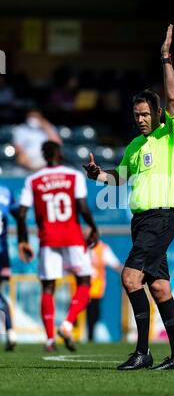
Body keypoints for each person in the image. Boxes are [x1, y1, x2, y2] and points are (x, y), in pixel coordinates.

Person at [83, 25, 174, 370]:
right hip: (142, 221)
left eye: (145, 113)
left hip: (160, 218)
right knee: (159, 289)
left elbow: (173, 97)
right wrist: (98, 175)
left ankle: (143, 352)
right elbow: (120, 178)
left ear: (157, 114)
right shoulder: (134, 146)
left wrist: (165, 57)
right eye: (137, 115)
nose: (141, 119)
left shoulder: (169, 135)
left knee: (129, 278)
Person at [17, 141, 98, 352]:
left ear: (44, 156)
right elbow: (82, 206)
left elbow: (22, 214)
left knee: (48, 288)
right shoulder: (74, 176)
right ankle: (67, 324)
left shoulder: (33, 180)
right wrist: (92, 227)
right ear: (59, 153)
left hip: (48, 239)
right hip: (72, 237)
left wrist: (23, 240)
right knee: (85, 282)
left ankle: (50, 340)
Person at [87, 239, 122, 342]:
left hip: (95, 288)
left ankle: (90, 337)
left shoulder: (102, 248)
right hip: (80, 286)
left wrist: (125, 273)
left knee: (93, 312)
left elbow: (115, 264)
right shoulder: (81, 246)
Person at [0, 185, 17, 351]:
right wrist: (23, 240)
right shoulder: (6, 191)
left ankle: (10, 331)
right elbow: (20, 215)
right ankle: (10, 331)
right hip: (3, 254)